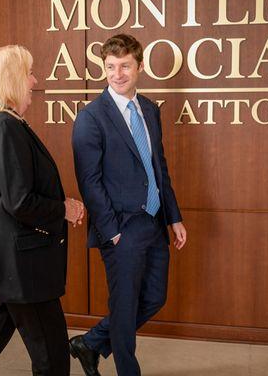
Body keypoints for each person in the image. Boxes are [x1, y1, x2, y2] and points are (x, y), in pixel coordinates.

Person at [0, 45, 84, 376]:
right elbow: (19, 202)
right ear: (10, 80)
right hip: (23, 263)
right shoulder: (4, 128)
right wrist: (63, 209)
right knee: (53, 356)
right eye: (28, 73)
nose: (34, 81)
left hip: (12, 260)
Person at [70, 34, 187, 376]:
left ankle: (90, 343)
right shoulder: (91, 117)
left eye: (124, 66)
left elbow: (158, 167)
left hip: (153, 221)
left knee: (153, 298)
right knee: (123, 308)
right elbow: (88, 181)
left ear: (139, 66)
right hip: (120, 227)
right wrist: (112, 232)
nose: (117, 74)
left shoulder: (149, 109)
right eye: (110, 67)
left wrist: (174, 217)